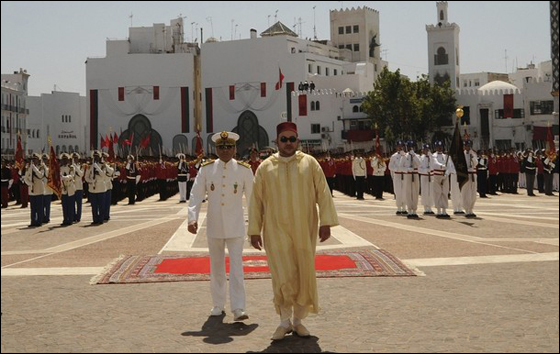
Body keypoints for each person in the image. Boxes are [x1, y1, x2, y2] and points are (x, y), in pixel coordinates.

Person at [248, 122, 339, 341]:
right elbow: (256, 201)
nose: (288, 144)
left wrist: (325, 222)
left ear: (297, 140)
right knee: (282, 274)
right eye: (284, 139)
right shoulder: (265, 167)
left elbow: (323, 193)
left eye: (292, 139)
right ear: (276, 141)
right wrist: (254, 230)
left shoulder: (310, 163)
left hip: (304, 228)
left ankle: (298, 321)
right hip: (275, 229)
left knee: (303, 272)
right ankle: (283, 322)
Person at [188, 131, 254, 322]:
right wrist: (192, 218)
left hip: (236, 226)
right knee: (216, 266)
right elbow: (196, 194)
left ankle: (239, 307)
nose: (225, 151)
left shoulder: (244, 170)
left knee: (236, 267)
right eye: (221, 147)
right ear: (216, 149)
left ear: (235, 149)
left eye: (229, 147)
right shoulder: (207, 169)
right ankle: (218, 304)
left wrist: (255, 226)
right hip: (215, 225)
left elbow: (253, 198)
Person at [400, 140, 421, 218]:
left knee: (415, 192)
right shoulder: (405, 156)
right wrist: (407, 169)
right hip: (408, 175)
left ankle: (414, 210)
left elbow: (419, 164)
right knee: (408, 192)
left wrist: (414, 156)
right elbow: (400, 167)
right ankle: (409, 210)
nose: (410, 148)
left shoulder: (417, 156)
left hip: (415, 174)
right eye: (409, 147)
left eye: (412, 147)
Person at [24, 153, 45, 227]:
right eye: (33, 159)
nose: (34, 161)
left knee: (39, 207)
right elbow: (25, 178)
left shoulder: (41, 167)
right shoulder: (29, 167)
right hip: (32, 190)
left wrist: (34, 169)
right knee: (33, 208)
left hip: (39, 189)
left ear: (38, 160)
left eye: (35, 159)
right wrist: (30, 184)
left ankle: (39, 221)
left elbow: (41, 175)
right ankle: (33, 221)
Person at [389, 140, 406, 215]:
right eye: (399, 146)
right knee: (398, 191)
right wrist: (396, 169)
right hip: (397, 175)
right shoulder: (394, 156)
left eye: (401, 146)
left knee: (405, 191)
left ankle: (404, 207)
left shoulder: (406, 155)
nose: (400, 148)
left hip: (405, 175)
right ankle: (399, 207)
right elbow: (390, 166)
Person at [462, 140, 478, 218]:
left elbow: (476, 163)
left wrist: (472, 157)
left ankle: (471, 209)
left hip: (473, 174)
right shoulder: (462, 154)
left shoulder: (473, 153)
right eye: (466, 146)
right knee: (466, 192)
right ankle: (467, 209)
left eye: (468, 146)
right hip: (466, 175)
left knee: (473, 193)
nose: (467, 147)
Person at [59, 153, 76, 226]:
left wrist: (64, 177)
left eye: (65, 159)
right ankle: (65, 219)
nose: (64, 161)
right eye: (63, 159)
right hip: (63, 188)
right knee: (64, 205)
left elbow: (71, 176)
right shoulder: (60, 168)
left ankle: (71, 219)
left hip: (70, 187)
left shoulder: (71, 167)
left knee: (70, 205)